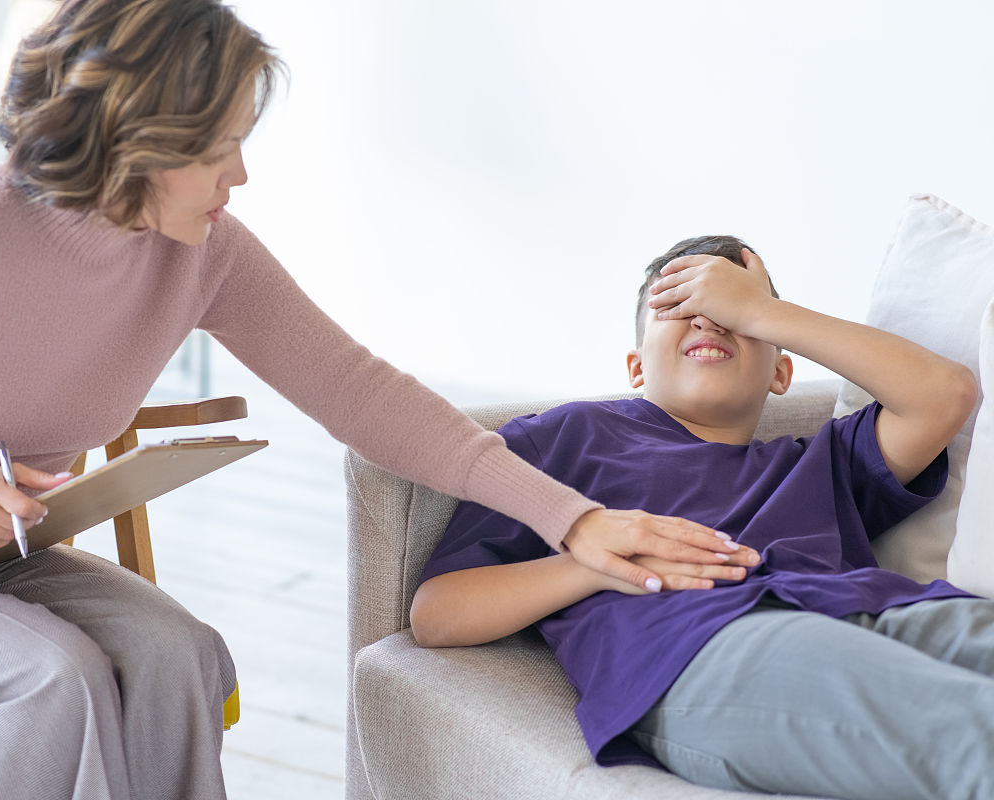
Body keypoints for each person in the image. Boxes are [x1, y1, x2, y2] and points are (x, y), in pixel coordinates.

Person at [0, 2, 744, 799]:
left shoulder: (203, 250)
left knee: (181, 655)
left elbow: (359, 390)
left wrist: (574, 520)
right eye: (219, 150)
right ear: (133, 144)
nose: (239, 177)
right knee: (51, 674)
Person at [410, 235, 991, 799]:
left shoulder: (824, 462)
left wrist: (763, 310)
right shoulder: (562, 438)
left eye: (728, 307)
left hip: (890, 608)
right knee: (973, 734)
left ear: (781, 372)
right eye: (677, 305)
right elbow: (436, 614)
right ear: (636, 367)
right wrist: (596, 565)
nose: (708, 320)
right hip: (702, 647)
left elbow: (945, 393)